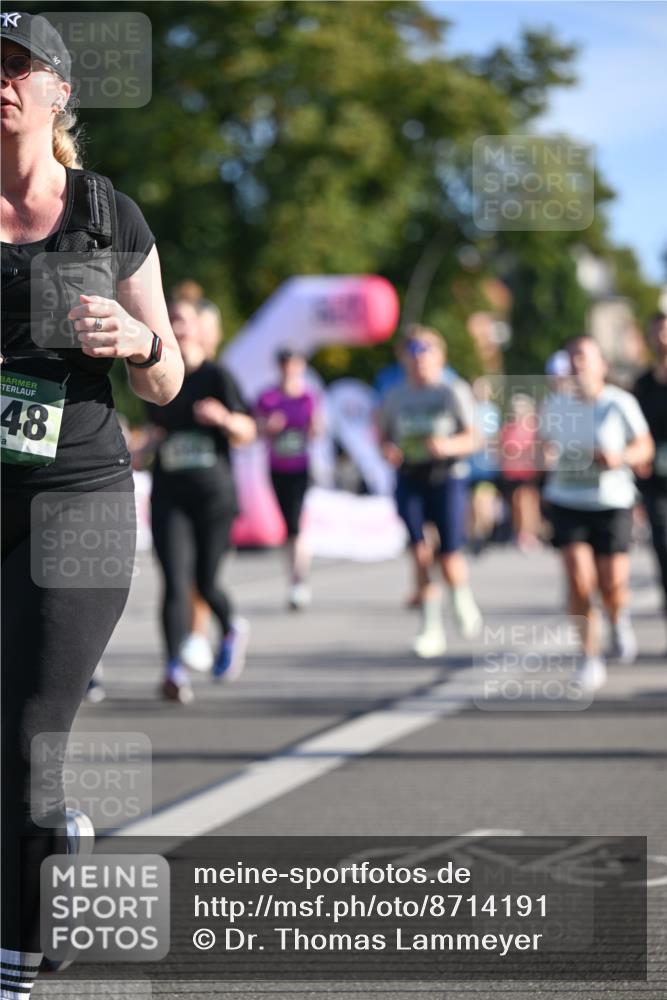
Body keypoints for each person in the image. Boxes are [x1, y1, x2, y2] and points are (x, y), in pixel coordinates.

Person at [1, 13, 183, 995]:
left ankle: (15, 958)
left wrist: (138, 341)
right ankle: (48, 839)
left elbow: (170, 380)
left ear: (59, 93)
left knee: (27, 733)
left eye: (20, 67)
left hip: (74, 497)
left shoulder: (108, 214)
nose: (3, 80)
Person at [146, 296, 256, 703]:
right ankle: (173, 668)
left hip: (213, 496)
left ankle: (230, 627)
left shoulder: (217, 377)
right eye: (171, 318)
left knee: (205, 581)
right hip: (170, 492)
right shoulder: (156, 377)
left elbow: (248, 431)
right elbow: (154, 434)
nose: (178, 326)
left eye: (185, 320)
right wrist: (144, 449)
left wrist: (224, 419)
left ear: (199, 329)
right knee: (174, 581)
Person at [540, 335, 654, 690]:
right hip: (567, 500)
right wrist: (543, 455)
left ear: (601, 365)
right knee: (578, 579)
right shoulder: (555, 404)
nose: (577, 365)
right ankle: (589, 657)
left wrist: (621, 458)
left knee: (612, 584)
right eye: (572, 358)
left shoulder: (619, 403)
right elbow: (542, 446)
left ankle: (618, 618)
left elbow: (644, 446)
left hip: (611, 501)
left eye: (584, 358)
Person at [378, 326, 483, 657]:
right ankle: (430, 625)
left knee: (449, 555)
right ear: (404, 360)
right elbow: (383, 436)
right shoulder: (396, 396)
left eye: (426, 354)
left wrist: (448, 445)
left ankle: (460, 597)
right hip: (410, 477)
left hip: (446, 476)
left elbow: (475, 437)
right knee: (420, 551)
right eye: (413, 355)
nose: (420, 362)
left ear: (440, 357)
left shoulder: (452, 392)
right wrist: (388, 450)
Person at [255, 348, 320, 609]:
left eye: (293, 364)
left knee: (294, 524)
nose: (288, 369)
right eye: (284, 364)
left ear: (300, 366)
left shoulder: (307, 397)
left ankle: (298, 579)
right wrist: (268, 428)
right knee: (287, 526)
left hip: (301, 467)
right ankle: (295, 576)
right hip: (277, 466)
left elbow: (317, 430)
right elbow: (255, 429)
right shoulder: (268, 398)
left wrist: (313, 428)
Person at [633, 312, 667, 642]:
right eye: (656, 330)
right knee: (664, 549)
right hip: (656, 482)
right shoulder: (643, 385)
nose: (662, 336)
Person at [499, 393, 542, 551]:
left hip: (528, 471)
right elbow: (501, 448)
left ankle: (529, 534)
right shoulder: (507, 427)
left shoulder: (533, 427)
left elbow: (537, 448)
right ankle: (520, 532)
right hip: (511, 472)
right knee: (516, 504)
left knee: (525, 501)